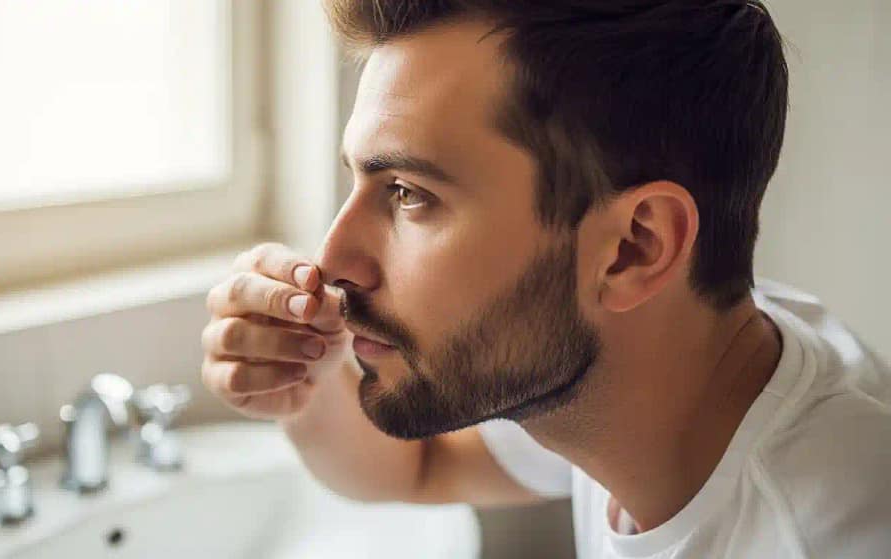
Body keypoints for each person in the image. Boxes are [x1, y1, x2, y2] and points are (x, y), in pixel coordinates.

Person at [200, 1, 891, 557]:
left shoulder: (830, 534)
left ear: (633, 247)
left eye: (409, 192)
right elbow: (420, 465)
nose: (332, 259)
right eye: (359, 179)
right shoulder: (659, 369)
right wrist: (308, 385)